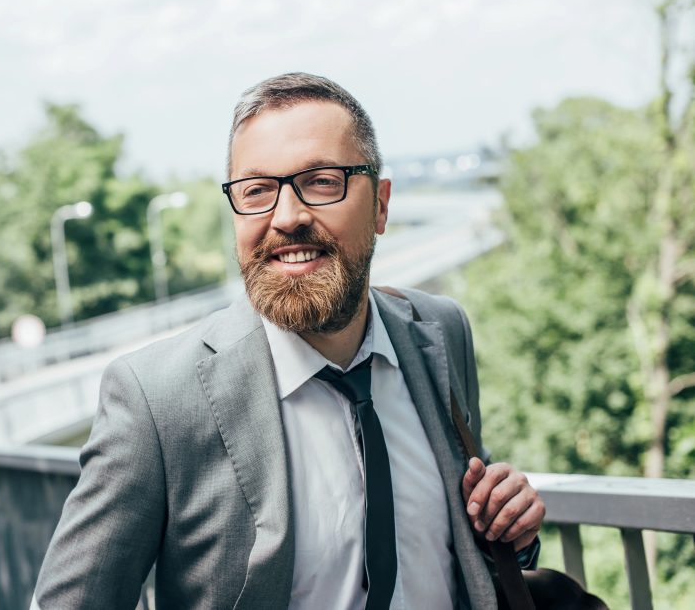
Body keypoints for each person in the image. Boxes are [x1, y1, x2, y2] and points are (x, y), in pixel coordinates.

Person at [32, 72, 545, 609]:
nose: (287, 217)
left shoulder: (440, 332)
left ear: (382, 206)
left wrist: (508, 532)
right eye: (256, 191)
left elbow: (451, 552)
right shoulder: (157, 400)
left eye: (323, 181)